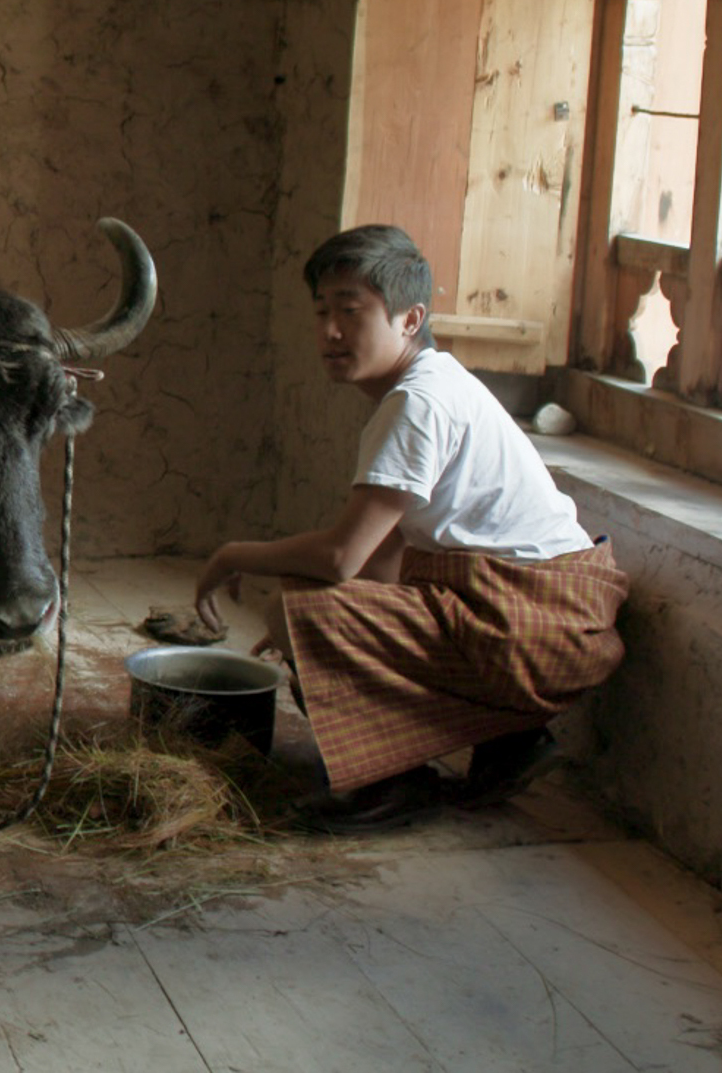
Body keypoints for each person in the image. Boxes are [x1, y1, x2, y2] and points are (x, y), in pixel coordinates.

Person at [194, 223, 628, 831]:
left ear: (409, 318)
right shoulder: (430, 384)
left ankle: (390, 785)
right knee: (315, 614)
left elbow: (343, 558)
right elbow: (381, 563)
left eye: (352, 311)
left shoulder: (416, 404)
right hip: (543, 617)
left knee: (300, 607)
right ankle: (510, 743)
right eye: (321, 312)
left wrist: (235, 556)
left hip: (535, 624)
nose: (330, 332)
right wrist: (331, 640)